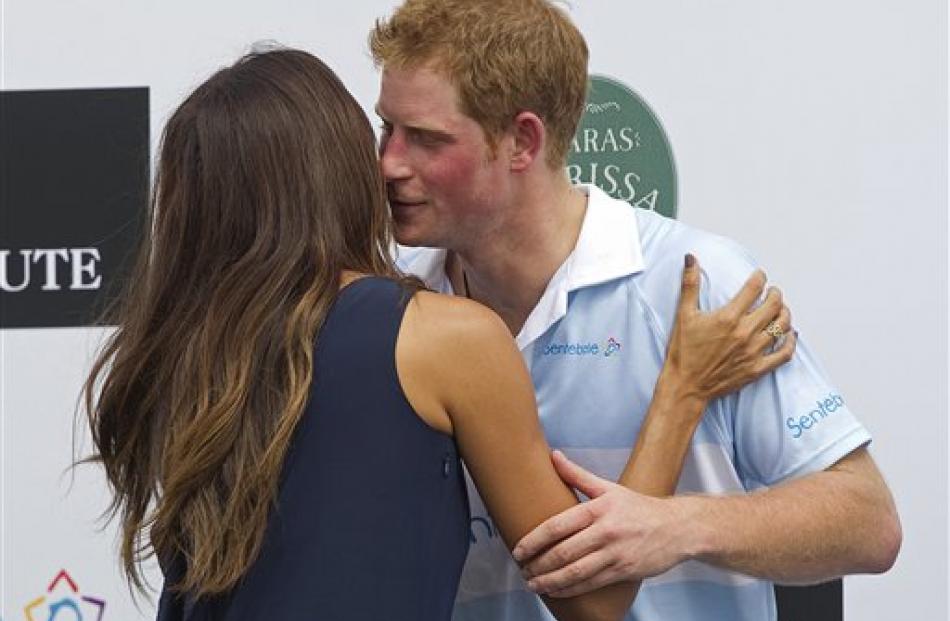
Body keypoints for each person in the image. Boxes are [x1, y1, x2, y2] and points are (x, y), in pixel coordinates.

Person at [83, 48, 793, 620]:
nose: (391, 161)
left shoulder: (172, 359)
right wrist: (681, 391)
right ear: (335, 168)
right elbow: (592, 597)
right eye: (378, 136)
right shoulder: (439, 337)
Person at [369, 1, 902, 620]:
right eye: (387, 129)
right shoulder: (394, 304)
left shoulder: (693, 286)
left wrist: (679, 526)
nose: (390, 164)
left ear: (523, 141)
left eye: (428, 140)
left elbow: (869, 520)